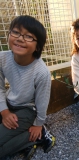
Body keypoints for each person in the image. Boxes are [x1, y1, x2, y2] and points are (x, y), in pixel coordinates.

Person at [0, 15, 55, 159]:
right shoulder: (2, 58)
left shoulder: (41, 72)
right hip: (9, 103)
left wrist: (38, 124)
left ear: (37, 46)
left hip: (28, 109)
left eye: (29, 36)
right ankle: (25, 141)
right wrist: (4, 112)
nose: (20, 38)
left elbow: (42, 101)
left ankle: (40, 135)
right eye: (16, 32)